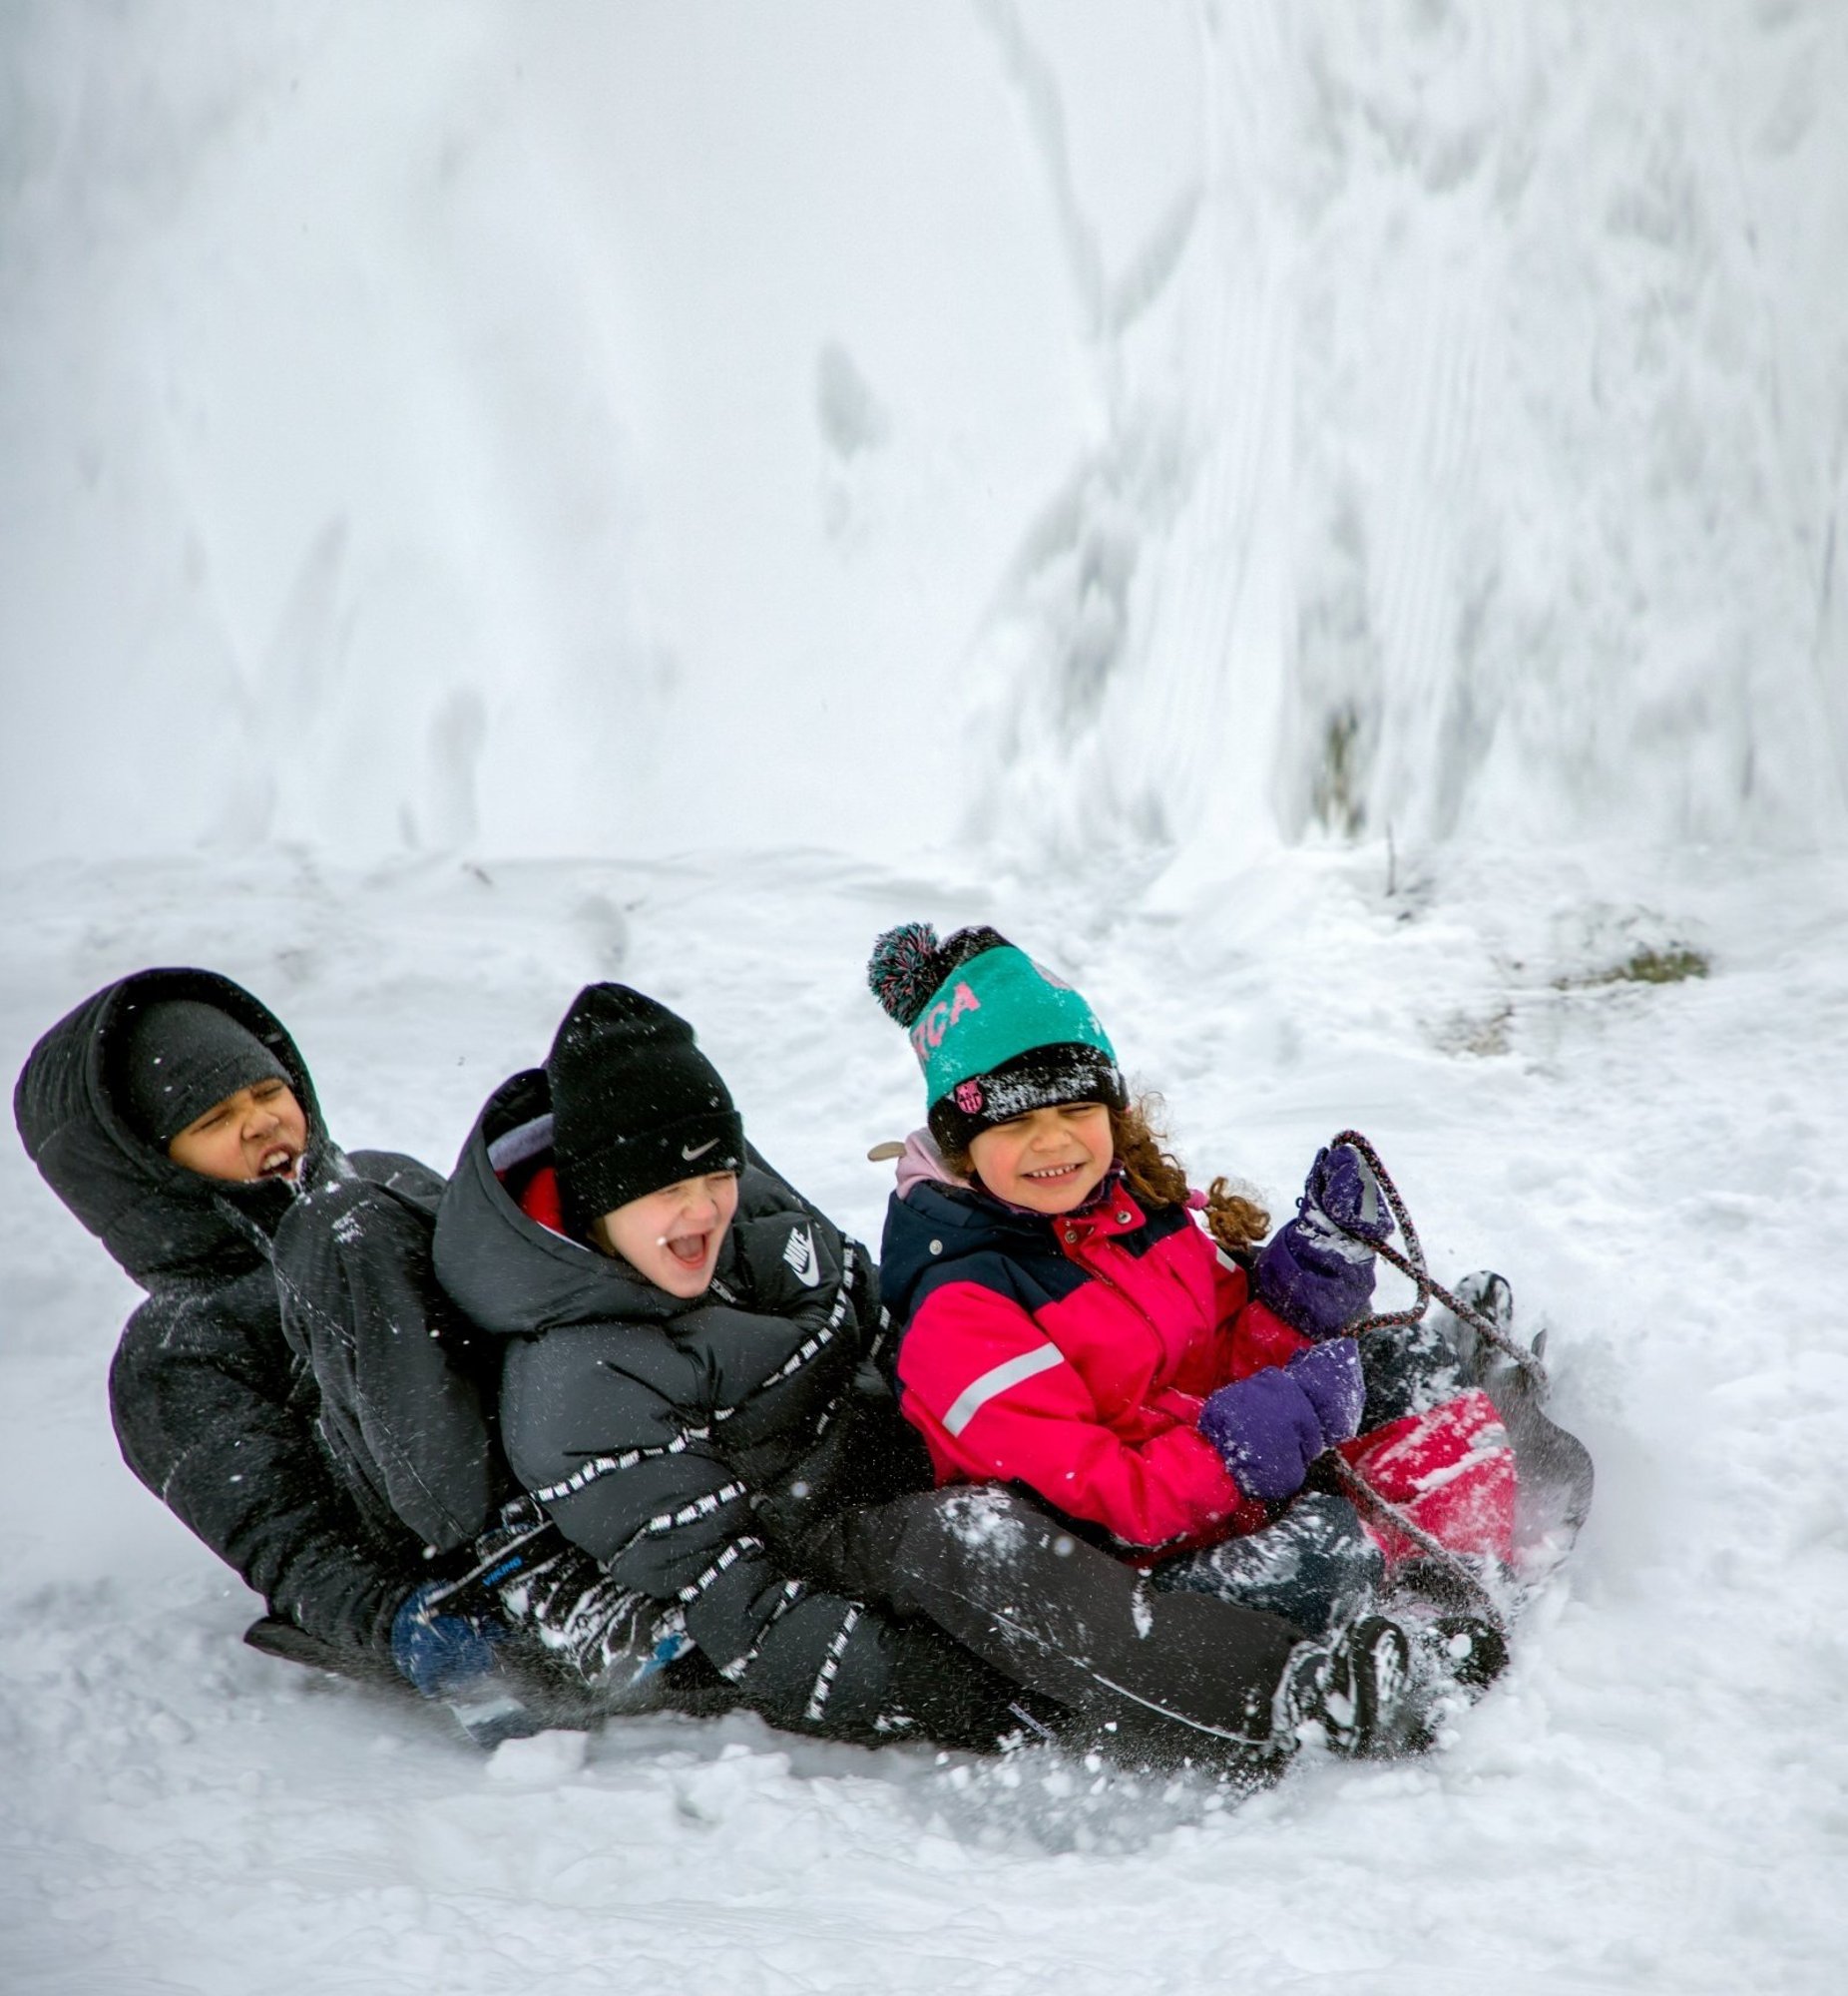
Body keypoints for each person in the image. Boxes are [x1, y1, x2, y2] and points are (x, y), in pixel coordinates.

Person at [848, 921, 1515, 1746]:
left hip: (1218, 1483)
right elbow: (1095, 1502)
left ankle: (1463, 1547)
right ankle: (1403, 1628)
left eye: (1075, 1107)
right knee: (1322, 1552)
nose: (1053, 1141)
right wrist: (1237, 1447)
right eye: (1016, 1123)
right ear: (961, 1139)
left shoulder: (1133, 1213)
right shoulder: (965, 1306)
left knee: (1395, 1360)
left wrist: (1302, 1293)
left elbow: (1221, 1351)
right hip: (1130, 1568)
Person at [12, 968, 648, 1744]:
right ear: (151, 1167)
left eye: (267, 1093)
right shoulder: (177, 1350)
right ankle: (527, 1570)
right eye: (216, 1117)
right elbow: (290, 1544)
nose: (262, 1124)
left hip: (571, 1446)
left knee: (651, 1129)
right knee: (342, 1230)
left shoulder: (386, 1179)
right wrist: (407, 1627)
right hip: (452, 1551)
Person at [430, 981, 1040, 1752]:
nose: (705, 1211)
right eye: (669, 1191)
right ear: (595, 1201)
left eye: (719, 1176)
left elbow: (877, 1320)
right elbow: (740, 1604)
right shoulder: (578, 1386)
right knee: (1006, 1554)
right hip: (848, 1574)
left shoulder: (743, 1217)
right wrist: (958, 1695)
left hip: (915, 1482)